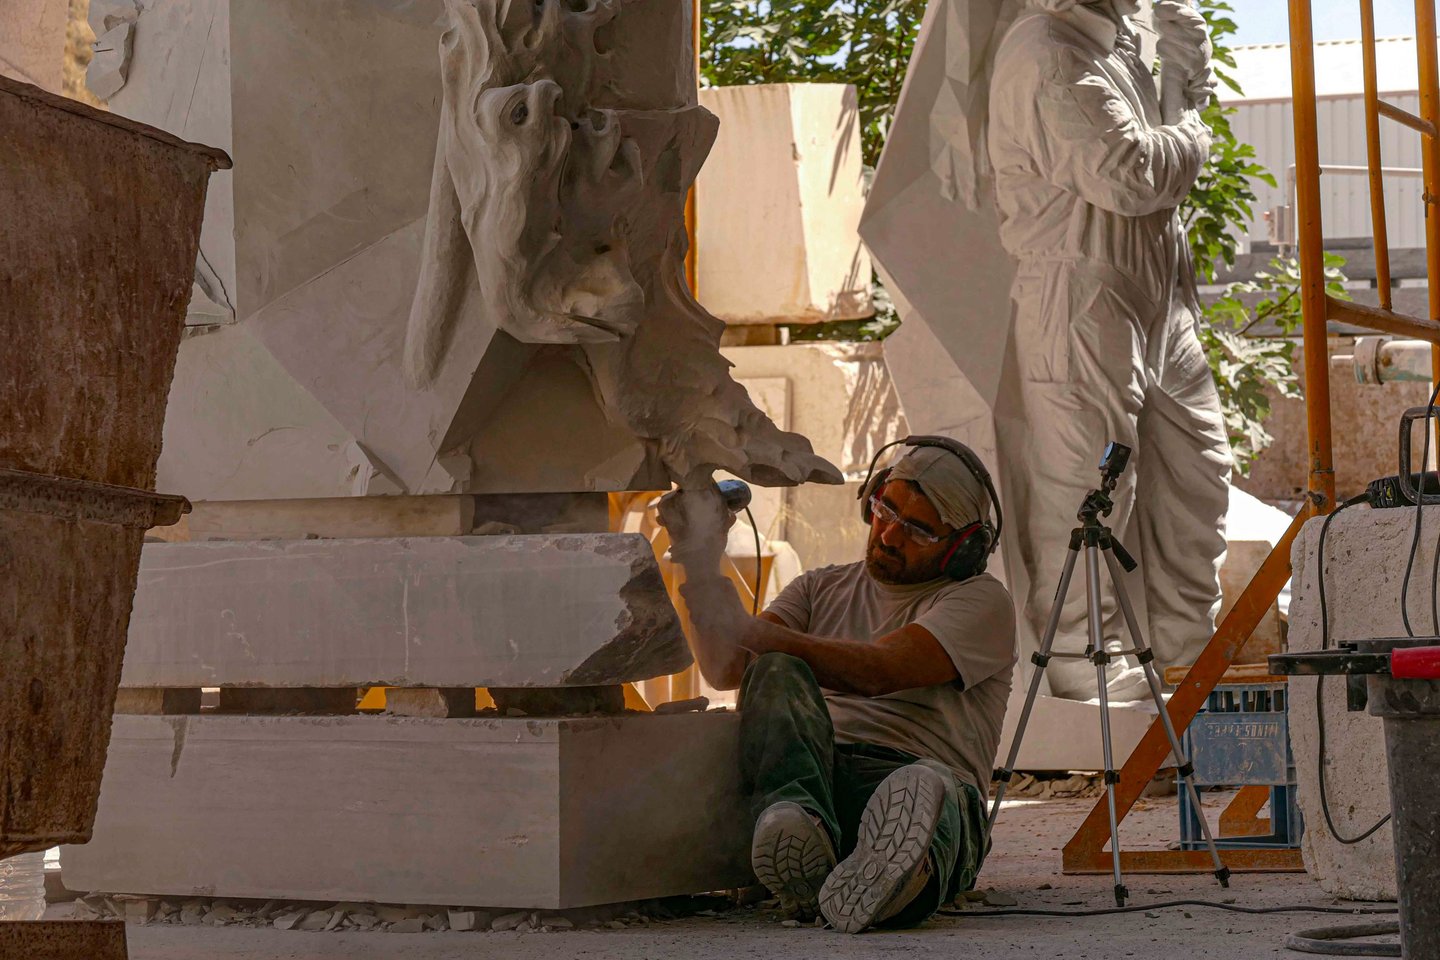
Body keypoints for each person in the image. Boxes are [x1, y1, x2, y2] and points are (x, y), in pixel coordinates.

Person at [657, 441, 1017, 933]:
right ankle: (798, 826)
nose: (889, 534)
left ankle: (898, 878)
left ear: (962, 548)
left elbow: (880, 669)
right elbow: (725, 669)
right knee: (774, 669)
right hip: (814, 775)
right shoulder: (817, 587)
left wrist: (747, 628)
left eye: (917, 529)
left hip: (914, 778)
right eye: (885, 508)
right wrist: (700, 561)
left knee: (933, 794)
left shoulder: (980, 601)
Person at [987, 0, 1232, 700]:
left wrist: (1183, 59)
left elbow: (1157, 150)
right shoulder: (1045, 52)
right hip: (1081, 286)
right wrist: (1192, 133)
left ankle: (1186, 648)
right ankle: (1081, 655)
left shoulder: (1113, 45)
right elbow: (1128, 174)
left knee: (1198, 467)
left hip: (1156, 288)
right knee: (1090, 482)